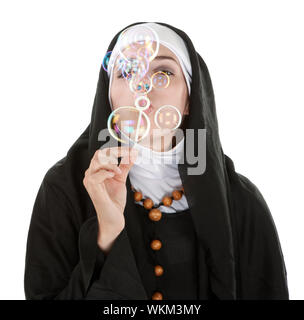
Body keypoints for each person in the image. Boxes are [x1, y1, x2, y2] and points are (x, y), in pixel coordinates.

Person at [24, 21, 289, 300]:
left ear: (190, 99)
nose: (142, 87)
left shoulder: (241, 201)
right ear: (110, 95)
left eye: (163, 72)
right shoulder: (64, 188)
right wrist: (106, 236)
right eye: (126, 71)